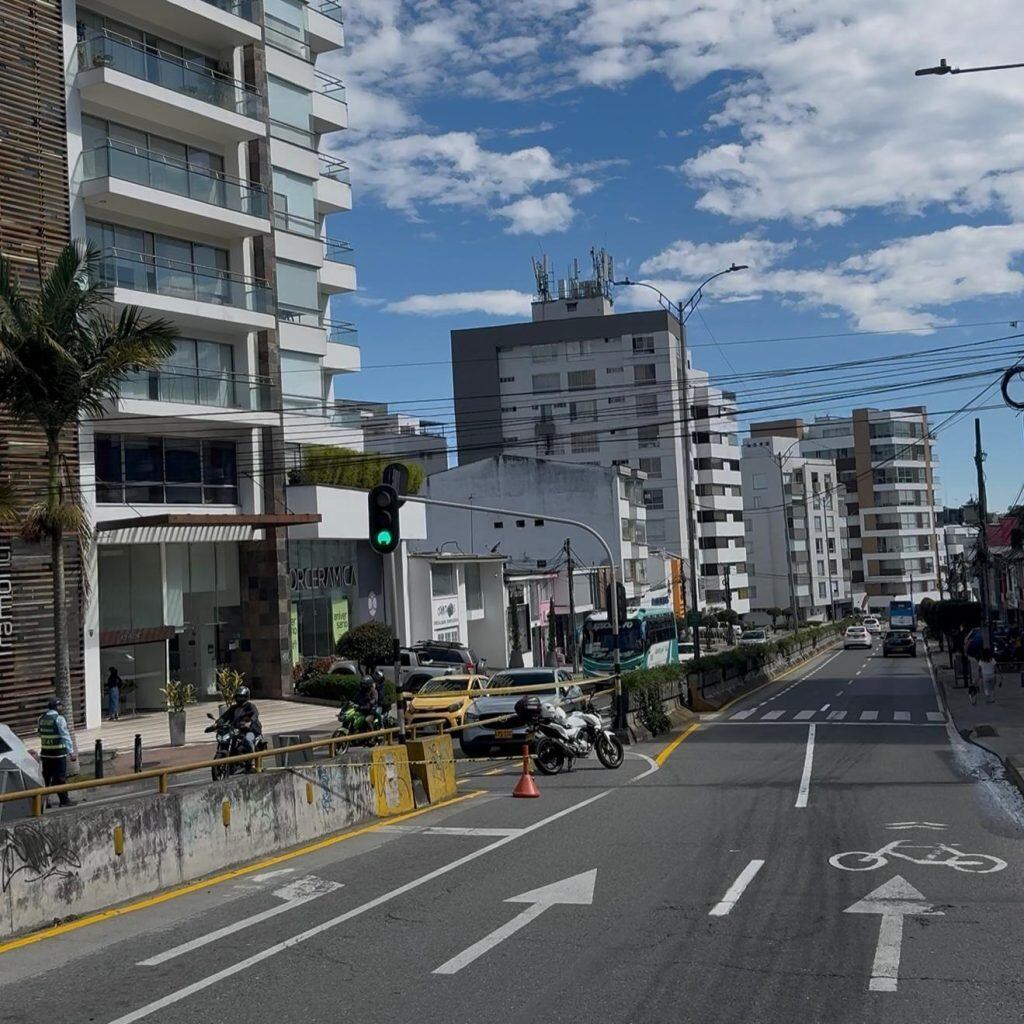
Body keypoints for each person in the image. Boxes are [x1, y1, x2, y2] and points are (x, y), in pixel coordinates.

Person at [37, 697, 76, 807]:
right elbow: (65, 736)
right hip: (58, 754)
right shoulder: (59, 719)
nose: (62, 707)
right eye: (60, 706)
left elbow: (40, 734)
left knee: (46, 779)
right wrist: (71, 752)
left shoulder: (41, 718)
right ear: (57, 706)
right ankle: (64, 801)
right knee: (60, 778)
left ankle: (45, 803)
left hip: (45, 754)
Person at [217, 686, 262, 763]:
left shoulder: (250, 706)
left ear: (246, 697)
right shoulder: (233, 708)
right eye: (238, 697)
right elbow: (225, 716)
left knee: (248, 740)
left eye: (241, 697)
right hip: (237, 730)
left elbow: (255, 714)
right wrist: (218, 722)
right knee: (226, 739)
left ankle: (250, 762)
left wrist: (249, 722)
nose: (239, 699)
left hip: (251, 730)